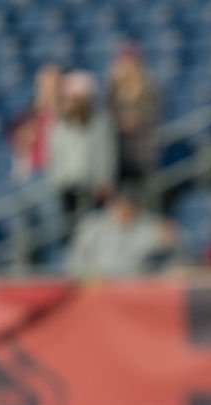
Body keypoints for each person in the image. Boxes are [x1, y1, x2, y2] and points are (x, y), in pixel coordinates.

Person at [48, 70, 118, 246]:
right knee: (70, 229)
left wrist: (104, 180)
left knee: (95, 228)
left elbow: (106, 154)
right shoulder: (60, 125)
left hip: (93, 185)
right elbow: (56, 156)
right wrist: (58, 181)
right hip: (68, 185)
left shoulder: (100, 123)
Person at [66, 192, 173, 277]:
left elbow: (167, 244)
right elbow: (77, 254)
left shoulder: (147, 226)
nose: (125, 211)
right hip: (96, 283)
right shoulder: (93, 224)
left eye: (130, 207)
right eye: (121, 206)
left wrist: (167, 236)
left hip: (131, 284)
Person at [107, 43, 159, 195]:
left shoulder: (148, 89)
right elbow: (107, 117)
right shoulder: (112, 90)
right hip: (117, 155)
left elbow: (151, 116)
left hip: (141, 155)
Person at [8, 63, 61, 183]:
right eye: (42, 83)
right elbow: (18, 140)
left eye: (50, 82)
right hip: (33, 171)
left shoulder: (63, 111)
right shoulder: (29, 111)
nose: (45, 87)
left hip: (55, 170)